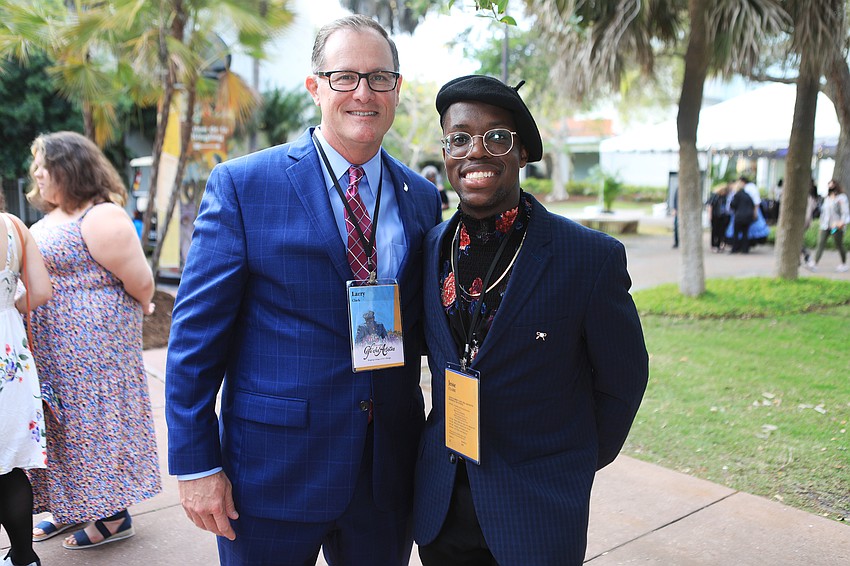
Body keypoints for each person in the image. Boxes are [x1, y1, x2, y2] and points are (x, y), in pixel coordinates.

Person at [165, 14, 441, 566]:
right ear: (316, 86)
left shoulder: (422, 196)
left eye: (379, 77)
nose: (363, 92)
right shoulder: (244, 185)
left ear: (397, 89)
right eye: (345, 77)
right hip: (272, 472)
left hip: (385, 474)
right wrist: (196, 464)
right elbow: (195, 340)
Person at [413, 75, 649, 565]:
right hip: (441, 504)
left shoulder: (589, 257)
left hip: (537, 510)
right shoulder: (430, 247)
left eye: (497, 137)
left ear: (521, 153)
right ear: (446, 152)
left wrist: (570, 463)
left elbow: (624, 379)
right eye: (460, 138)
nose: (476, 152)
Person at [26, 131, 161, 550]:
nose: (36, 174)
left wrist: (140, 309)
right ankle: (71, 507)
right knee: (62, 424)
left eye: (42, 165)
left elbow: (141, 283)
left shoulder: (101, 216)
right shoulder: (53, 217)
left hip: (95, 349)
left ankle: (113, 515)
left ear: (67, 168)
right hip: (54, 346)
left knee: (95, 423)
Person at [0, 213, 53, 566]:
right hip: (9, 353)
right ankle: (24, 556)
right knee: (7, 463)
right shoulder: (13, 226)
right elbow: (42, 290)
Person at [806, 179, 849, 272]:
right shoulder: (827, 199)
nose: (830, 188)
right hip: (826, 226)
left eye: (832, 186)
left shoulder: (841, 198)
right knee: (821, 243)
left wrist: (840, 223)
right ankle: (814, 263)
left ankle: (844, 263)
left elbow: (845, 213)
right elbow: (824, 213)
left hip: (836, 227)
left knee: (839, 244)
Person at [729, 181, 756, 254]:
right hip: (748, 217)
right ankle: (745, 249)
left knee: (736, 233)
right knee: (745, 233)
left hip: (739, 216)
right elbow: (753, 205)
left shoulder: (737, 195)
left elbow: (732, 205)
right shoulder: (748, 195)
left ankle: (735, 248)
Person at [706, 182, 732, 253]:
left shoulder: (724, 197)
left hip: (722, 216)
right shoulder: (715, 196)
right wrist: (710, 215)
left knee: (721, 231)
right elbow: (710, 206)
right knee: (715, 231)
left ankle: (719, 245)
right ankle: (714, 245)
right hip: (715, 216)